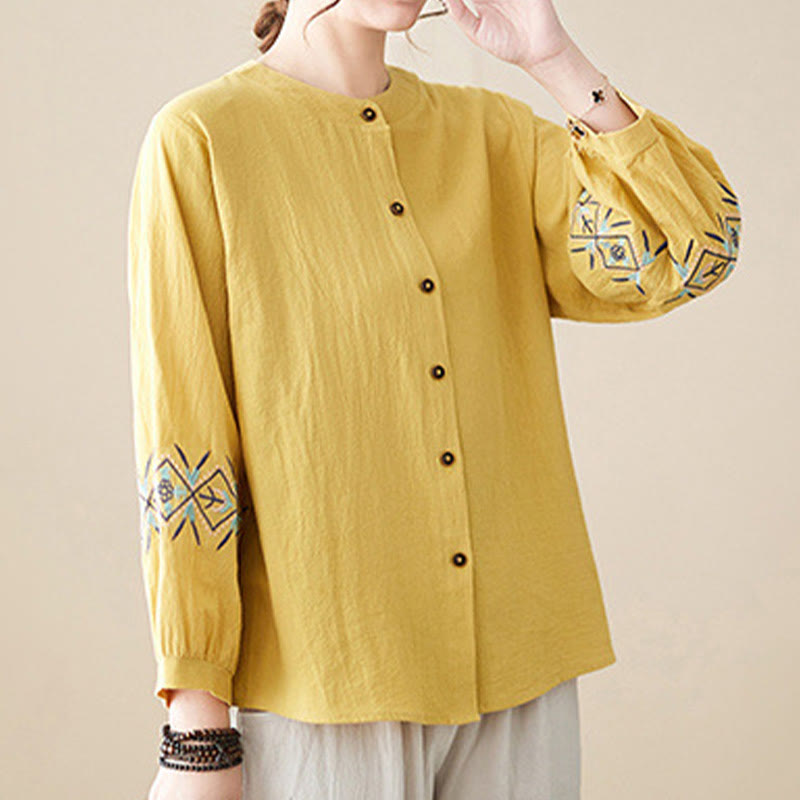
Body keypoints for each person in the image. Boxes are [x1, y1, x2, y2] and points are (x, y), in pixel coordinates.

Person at [126, 1, 742, 798]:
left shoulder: (493, 135)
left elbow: (691, 250)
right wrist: (197, 734)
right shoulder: (204, 139)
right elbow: (186, 441)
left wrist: (553, 59)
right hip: (332, 677)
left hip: (523, 669)